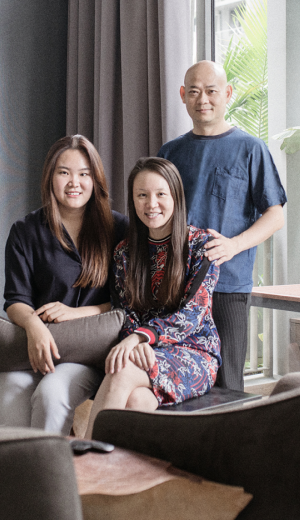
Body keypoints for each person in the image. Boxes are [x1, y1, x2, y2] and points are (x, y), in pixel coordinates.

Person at [158, 60, 286, 391]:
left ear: (227, 94)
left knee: (228, 381)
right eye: (194, 92)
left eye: (211, 91)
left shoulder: (251, 149)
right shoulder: (170, 152)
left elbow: (275, 215)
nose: (203, 99)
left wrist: (233, 245)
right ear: (183, 95)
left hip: (227, 285)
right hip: (177, 284)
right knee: (177, 379)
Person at [0, 134, 128, 435]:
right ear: (50, 177)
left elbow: (128, 303)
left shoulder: (119, 229)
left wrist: (76, 313)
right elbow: (15, 299)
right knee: (10, 389)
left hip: (89, 353)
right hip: (35, 345)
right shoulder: (25, 231)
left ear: (95, 180)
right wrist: (34, 327)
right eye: (64, 173)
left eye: (84, 174)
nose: (74, 183)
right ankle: (13, 465)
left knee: (51, 394)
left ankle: (48, 464)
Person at [85, 157, 221, 436]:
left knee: (122, 368)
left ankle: (85, 454)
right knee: (136, 400)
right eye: (142, 195)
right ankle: (123, 464)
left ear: (176, 197)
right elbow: (125, 311)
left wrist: (141, 338)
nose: (151, 204)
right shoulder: (124, 252)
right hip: (145, 350)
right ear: (133, 200)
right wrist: (137, 340)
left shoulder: (202, 245)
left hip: (194, 352)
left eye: (161, 194)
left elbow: (192, 315)